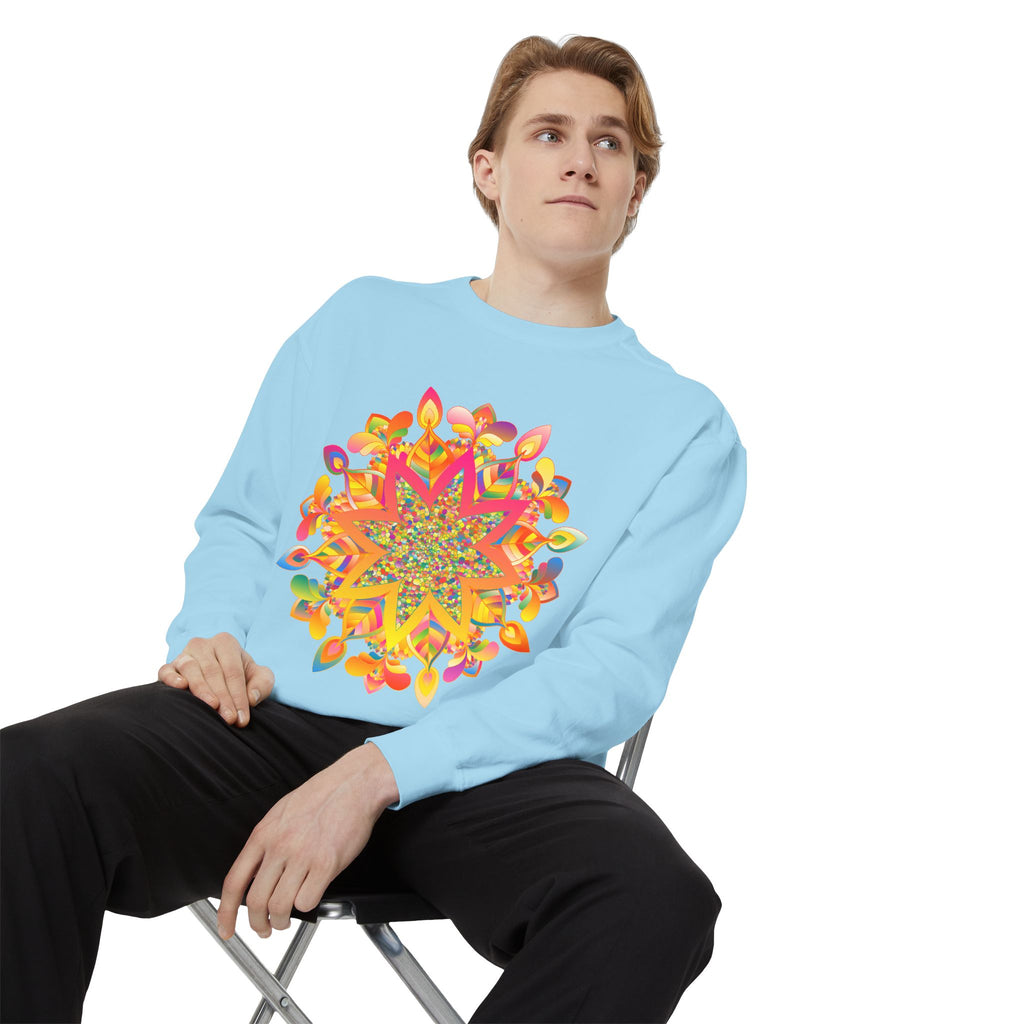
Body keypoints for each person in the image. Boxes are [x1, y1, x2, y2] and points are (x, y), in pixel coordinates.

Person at [1, 33, 747, 1024]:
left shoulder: (684, 425)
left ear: (636, 189)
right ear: (488, 169)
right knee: (24, 783)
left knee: (653, 901)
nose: (579, 160)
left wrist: (381, 773)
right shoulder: (361, 323)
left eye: (609, 143)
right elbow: (245, 517)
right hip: (265, 727)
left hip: (491, 767)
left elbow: (610, 670)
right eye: (549, 133)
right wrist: (209, 637)